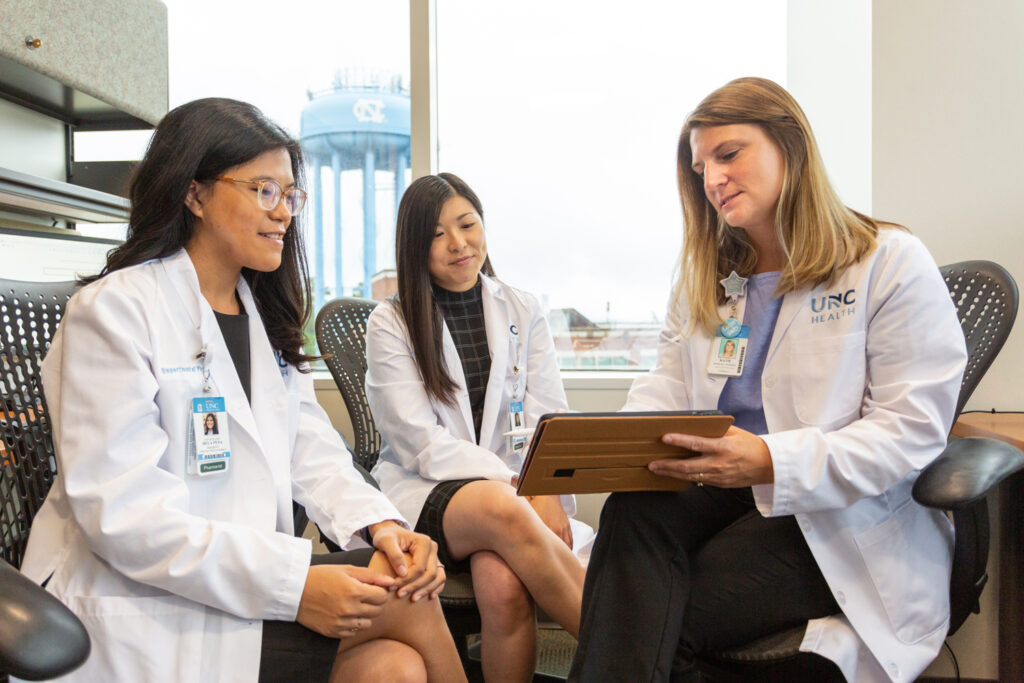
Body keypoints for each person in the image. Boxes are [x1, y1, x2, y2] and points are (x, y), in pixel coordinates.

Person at [18, 98, 466, 683]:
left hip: (232, 586)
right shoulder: (114, 312)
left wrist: (385, 526)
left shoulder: (264, 318)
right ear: (194, 194)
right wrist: (294, 585)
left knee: (395, 667)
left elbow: (312, 450)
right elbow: (124, 517)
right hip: (137, 604)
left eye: (290, 195)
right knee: (411, 598)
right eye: (263, 190)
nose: (283, 213)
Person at [569, 77, 967, 683]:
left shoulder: (886, 260)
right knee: (631, 511)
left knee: (658, 618)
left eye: (729, 154)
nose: (713, 179)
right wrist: (608, 449)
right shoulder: (708, 279)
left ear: (790, 145)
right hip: (724, 487)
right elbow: (667, 390)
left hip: (833, 511)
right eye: (700, 168)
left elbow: (911, 431)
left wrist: (769, 461)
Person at [365, 173, 591, 682]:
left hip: (509, 502)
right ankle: (639, 664)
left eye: (467, 224)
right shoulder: (391, 322)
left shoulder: (522, 308)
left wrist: (547, 488)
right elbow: (420, 443)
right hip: (428, 490)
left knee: (503, 586)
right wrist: (521, 487)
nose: (458, 243)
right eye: (437, 234)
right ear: (414, 247)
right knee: (500, 506)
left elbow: (549, 416)